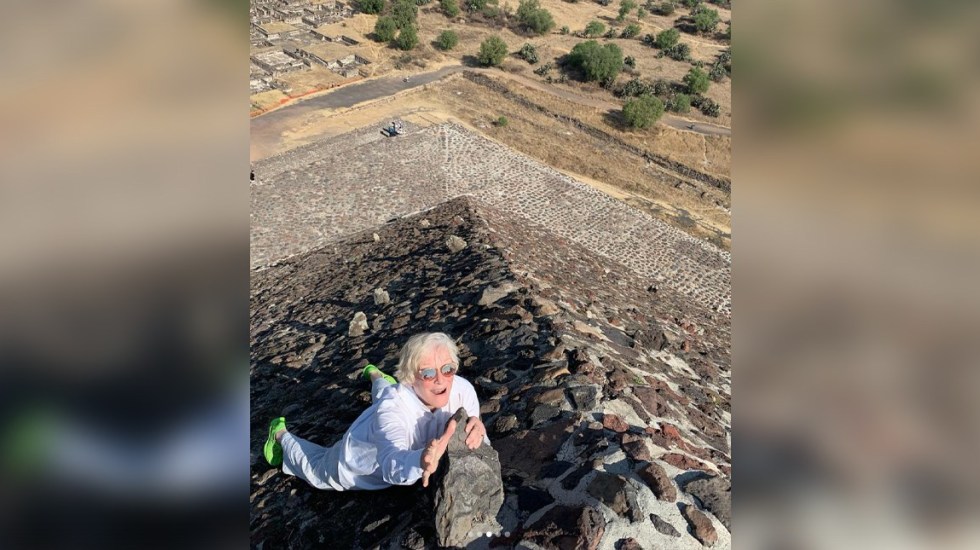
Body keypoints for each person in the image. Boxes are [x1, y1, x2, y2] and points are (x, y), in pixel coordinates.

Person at [262, 332, 488, 490]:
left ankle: (375, 375)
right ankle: (281, 435)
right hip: (363, 455)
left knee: (386, 390)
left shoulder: (460, 387)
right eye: (428, 373)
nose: (441, 380)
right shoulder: (393, 407)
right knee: (317, 469)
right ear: (409, 378)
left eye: (448, 369)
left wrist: (477, 424)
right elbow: (391, 464)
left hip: (394, 397)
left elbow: (472, 417)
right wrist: (420, 461)